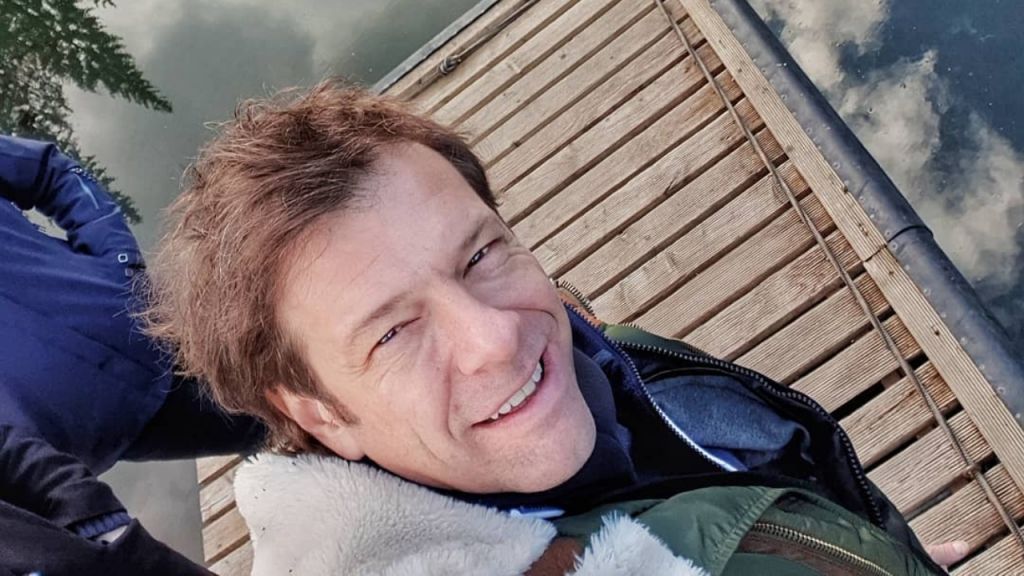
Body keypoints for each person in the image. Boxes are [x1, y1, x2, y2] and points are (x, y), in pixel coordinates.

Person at [145, 81, 967, 575]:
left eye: (479, 255)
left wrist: (858, 552)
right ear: (320, 411)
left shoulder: (604, 358)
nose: (495, 338)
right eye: (392, 334)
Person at [0, 135, 264, 575]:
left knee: (320, 386)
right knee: (269, 440)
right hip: (120, 427)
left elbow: (49, 170)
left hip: (160, 317)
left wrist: (118, 258)